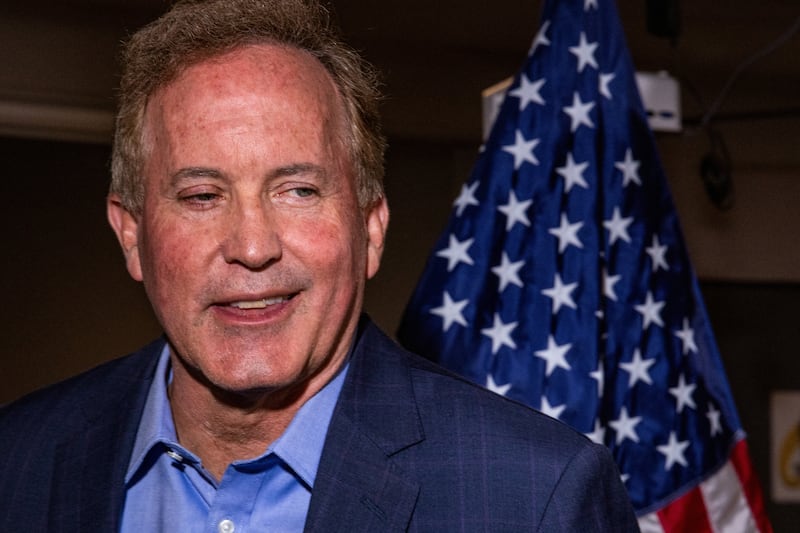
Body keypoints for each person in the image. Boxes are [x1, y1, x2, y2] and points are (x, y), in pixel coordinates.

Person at [0, 0, 640, 530]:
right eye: (202, 196)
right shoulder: (19, 460)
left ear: (370, 227)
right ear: (131, 234)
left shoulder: (534, 498)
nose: (252, 247)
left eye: (298, 190)